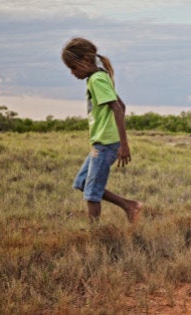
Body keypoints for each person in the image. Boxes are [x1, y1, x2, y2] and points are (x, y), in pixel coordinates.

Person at [62, 37, 142, 223]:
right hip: (101, 142)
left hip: (106, 144)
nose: (72, 72)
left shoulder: (97, 79)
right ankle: (129, 206)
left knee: (91, 193)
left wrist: (124, 145)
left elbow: (117, 108)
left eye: (73, 67)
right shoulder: (99, 77)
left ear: (86, 60)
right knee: (82, 183)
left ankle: (95, 233)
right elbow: (121, 105)